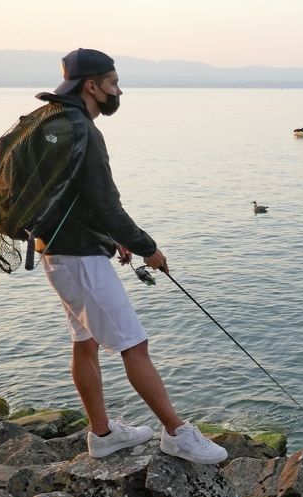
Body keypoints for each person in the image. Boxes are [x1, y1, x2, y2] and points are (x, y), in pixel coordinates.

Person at [33, 48, 228, 464]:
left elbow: (72, 198)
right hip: (81, 258)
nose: (118, 90)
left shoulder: (52, 122)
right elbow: (107, 206)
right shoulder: (84, 130)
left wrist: (109, 237)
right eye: (113, 82)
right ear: (92, 85)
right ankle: (176, 432)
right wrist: (147, 248)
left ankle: (102, 434)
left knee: (83, 342)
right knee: (134, 345)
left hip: (54, 251)